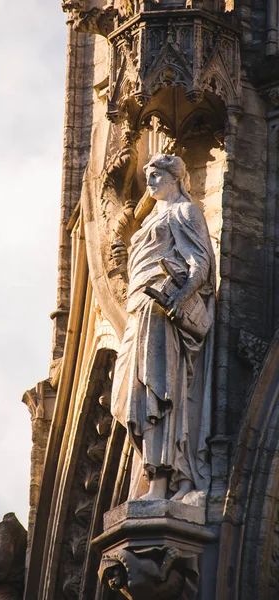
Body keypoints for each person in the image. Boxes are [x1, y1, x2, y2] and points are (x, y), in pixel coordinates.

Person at [111, 153, 215, 501]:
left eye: (156, 174)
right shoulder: (148, 221)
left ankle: (162, 481)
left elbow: (199, 263)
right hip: (139, 308)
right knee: (125, 397)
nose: (150, 181)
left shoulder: (184, 211)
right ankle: (153, 473)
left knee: (157, 392)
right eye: (148, 175)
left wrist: (179, 297)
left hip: (160, 309)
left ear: (175, 177)